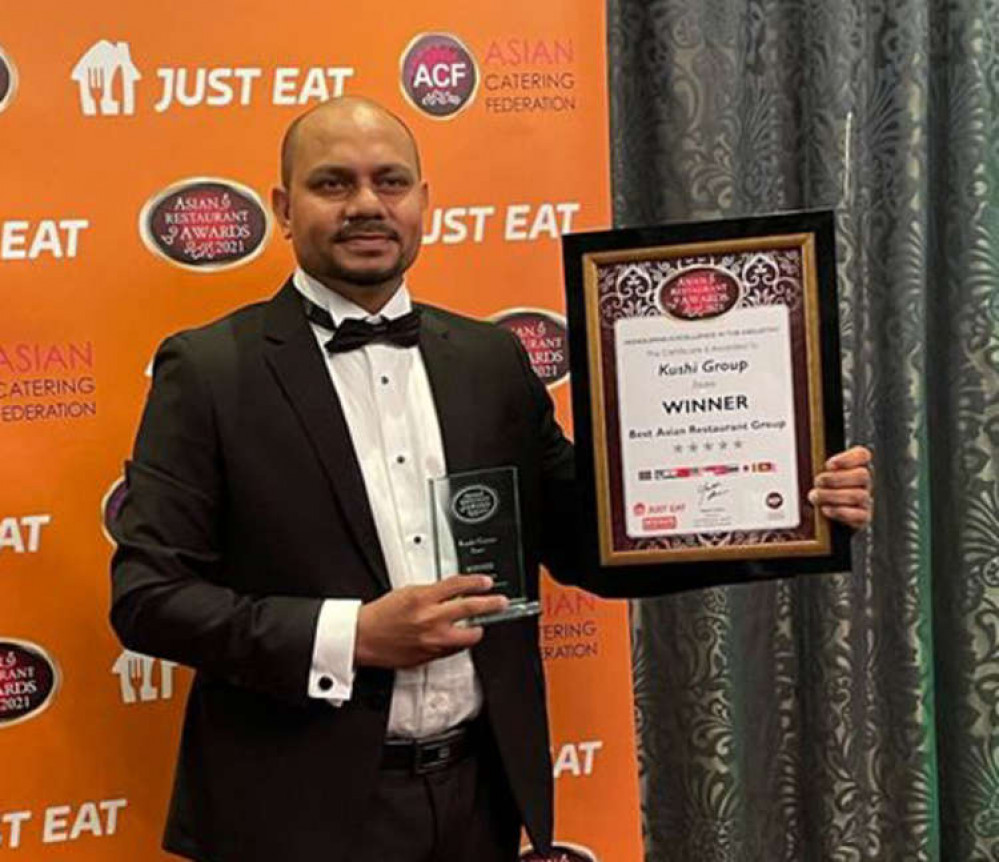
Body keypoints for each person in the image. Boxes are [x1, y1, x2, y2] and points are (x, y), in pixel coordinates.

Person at [109, 96, 873, 862]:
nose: (368, 204)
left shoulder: (489, 361)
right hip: (288, 813)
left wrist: (785, 496)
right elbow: (150, 599)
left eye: (391, 181)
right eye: (333, 184)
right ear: (281, 206)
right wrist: (354, 636)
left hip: (480, 797)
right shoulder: (209, 371)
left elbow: (593, 543)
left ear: (424, 202)